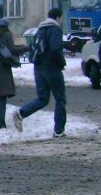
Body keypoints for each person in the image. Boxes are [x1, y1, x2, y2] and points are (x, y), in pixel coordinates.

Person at [14, 8, 67, 137]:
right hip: (52, 68)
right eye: (61, 18)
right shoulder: (55, 29)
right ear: (58, 18)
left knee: (42, 98)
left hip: (39, 68)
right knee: (60, 99)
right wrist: (62, 63)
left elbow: (34, 48)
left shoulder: (40, 29)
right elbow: (55, 49)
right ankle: (59, 130)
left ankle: (21, 112)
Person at [0, 19, 28, 129]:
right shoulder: (6, 34)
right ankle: (0, 122)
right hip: (2, 67)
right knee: (3, 95)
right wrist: (26, 48)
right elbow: (12, 50)